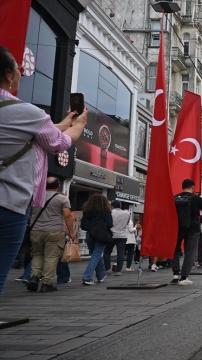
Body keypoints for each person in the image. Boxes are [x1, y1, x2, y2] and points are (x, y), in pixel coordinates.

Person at [0, 46, 87, 295]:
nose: (20, 72)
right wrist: (78, 125)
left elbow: (38, 131)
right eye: (17, 68)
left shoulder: (29, 117)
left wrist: (60, 123)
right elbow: (58, 142)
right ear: (8, 74)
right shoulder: (26, 112)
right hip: (9, 203)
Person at [26, 177, 73, 292]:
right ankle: (46, 283)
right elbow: (67, 216)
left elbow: (29, 214)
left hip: (36, 230)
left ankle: (34, 277)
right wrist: (71, 232)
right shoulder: (62, 199)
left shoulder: (36, 197)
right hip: (55, 231)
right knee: (51, 257)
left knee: (37, 255)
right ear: (58, 186)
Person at [172, 179, 202, 285]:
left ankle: (175, 273)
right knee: (190, 253)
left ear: (182, 186)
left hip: (178, 228)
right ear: (193, 187)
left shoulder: (175, 197)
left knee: (175, 250)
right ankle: (184, 277)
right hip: (192, 229)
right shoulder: (196, 198)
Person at [80, 195, 113, 285]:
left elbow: (83, 225)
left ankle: (100, 275)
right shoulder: (105, 211)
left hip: (89, 234)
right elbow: (110, 224)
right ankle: (87, 277)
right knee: (96, 255)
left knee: (95, 255)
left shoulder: (86, 211)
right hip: (101, 234)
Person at [104, 201, 130, 276]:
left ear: (112, 206)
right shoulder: (127, 213)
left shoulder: (109, 213)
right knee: (121, 253)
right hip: (122, 235)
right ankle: (118, 270)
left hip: (111, 235)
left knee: (107, 252)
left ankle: (108, 269)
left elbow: (107, 223)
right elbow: (127, 223)